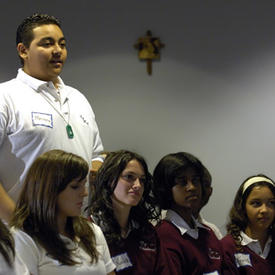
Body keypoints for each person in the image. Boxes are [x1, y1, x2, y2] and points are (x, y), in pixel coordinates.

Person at [0, 13, 103, 221]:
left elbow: (96, 156)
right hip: (23, 231)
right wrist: (16, 223)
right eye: (47, 44)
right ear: (23, 50)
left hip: (75, 228)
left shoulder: (78, 98)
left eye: (62, 44)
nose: (57, 51)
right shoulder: (5, 96)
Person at [10, 149, 115, 275]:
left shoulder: (92, 231)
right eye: (75, 187)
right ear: (49, 190)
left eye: (84, 185)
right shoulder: (23, 238)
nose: (85, 193)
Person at [89, 150, 172, 274]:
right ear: (109, 180)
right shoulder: (90, 231)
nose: (138, 185)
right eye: (129, 177)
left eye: (142, 180)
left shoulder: (147, 231)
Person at [152, 152, 224, 274]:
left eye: (195, 180)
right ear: (166, 188)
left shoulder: (208, 233)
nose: (192, 187)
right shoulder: (164, 235)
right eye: (182, 182)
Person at [221, 174, 275, 274]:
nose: (264, 210)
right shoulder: (227, 247)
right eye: (256, 203)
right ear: (242, 207)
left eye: (271, 203)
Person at [193, 165, 223, 239]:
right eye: (196, 183)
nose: (201, 190)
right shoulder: (163, 225)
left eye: (205, 185)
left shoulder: (213, 231)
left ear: (210, 191)